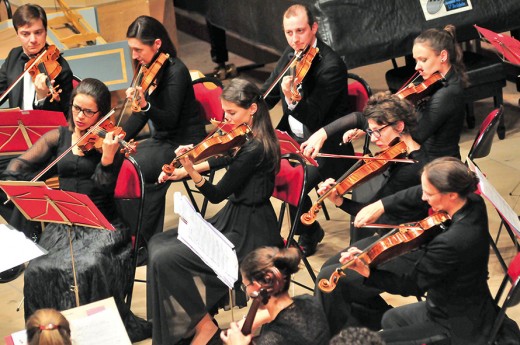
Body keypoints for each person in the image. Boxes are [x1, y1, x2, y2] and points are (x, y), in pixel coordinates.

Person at [3, 78, 149, 342]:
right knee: (37, 268)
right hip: (64, 220)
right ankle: (49, 336)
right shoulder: (59, 137)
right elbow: (19, 164)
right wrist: (16, 181)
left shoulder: (109, 143)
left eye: (88, 111)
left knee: (86, 266)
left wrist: (107, 158)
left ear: (102, 113)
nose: (80, 116)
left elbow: (103, 188)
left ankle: (91, 333)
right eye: (76, 108)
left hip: (102, 224)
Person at [150, 78, 284, 345]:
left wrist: (189, 170)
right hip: (235, 217)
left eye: (232, 113)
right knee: (157, 242)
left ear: (253, 109)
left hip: (250, 229)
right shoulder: (245, 134)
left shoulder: (256, 147)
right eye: (224, 112)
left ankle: (203, 326)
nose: (226, 119)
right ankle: (200, 322)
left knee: (166, 258)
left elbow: (216, 193)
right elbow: (222, 157)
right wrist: (186, 168)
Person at [324, 157, 501, 344]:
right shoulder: (474, 203)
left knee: (379, 340)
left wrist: (368, 272)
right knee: (390, 319)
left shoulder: (449, 243)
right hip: (472, 301)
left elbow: (411, 285)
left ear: (451, 195)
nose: (423, 198)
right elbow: (417, 194)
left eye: (428, 194)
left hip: (454, 320)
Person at [261, 3, 355, 256]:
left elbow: (314, 115)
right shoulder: (291, 54)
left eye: (300, 31)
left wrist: (292, 98)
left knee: (294, 180)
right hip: (292, 138)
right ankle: (266, 232)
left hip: (326, 145)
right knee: (258, 167)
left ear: (314, 28)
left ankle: (308, 231)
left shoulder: (331, 65)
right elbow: (268, 93)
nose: (295, 39)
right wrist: (248, 107)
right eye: (289, 33)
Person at [301, 24, 467, 161]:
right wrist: (373, 126)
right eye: (416, 60)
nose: (417, 67)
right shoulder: (436, 81)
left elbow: (416, 135)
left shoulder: (448, 93)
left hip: (436, 166)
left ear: (443, 56)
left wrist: (371, 126)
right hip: (423, 157)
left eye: (423, 60)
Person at [122, 16, 206, 259]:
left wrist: (146, 105)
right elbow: (139, 116)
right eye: (132, 50)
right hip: (163, 139)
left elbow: (168, 119)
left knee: (139, 168)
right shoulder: (147, 69)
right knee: (121, 161)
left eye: (138, 49)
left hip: (186, 142)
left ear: (157, 44)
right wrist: (119, 137)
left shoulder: (176, 71)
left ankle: (145, 243)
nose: (134, 55)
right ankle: (129, 234)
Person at [316, 92, 429, 239]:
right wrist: (322, 134)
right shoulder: (403, 151)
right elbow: (358, 117)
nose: (374, 139)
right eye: (370, 131)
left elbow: (368, 213)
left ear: (399, 126)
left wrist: (339, 201)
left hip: (396, 237)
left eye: (377, 131)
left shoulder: (410, 169)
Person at [220, 246, 330, 345]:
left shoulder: (272, 339)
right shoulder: (310, 301)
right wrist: (255, 319)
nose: (246, 290)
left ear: (258, 286)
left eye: (246, 286)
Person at [0, 3, 73, 115]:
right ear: (17, 34)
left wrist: (42, 97)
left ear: (46, 32)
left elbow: (65, 116)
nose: (33, 39)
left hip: (48, 131)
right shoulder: (14, 56)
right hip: (18, 127)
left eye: (38, 32)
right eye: (25, 34)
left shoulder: (61, 68)